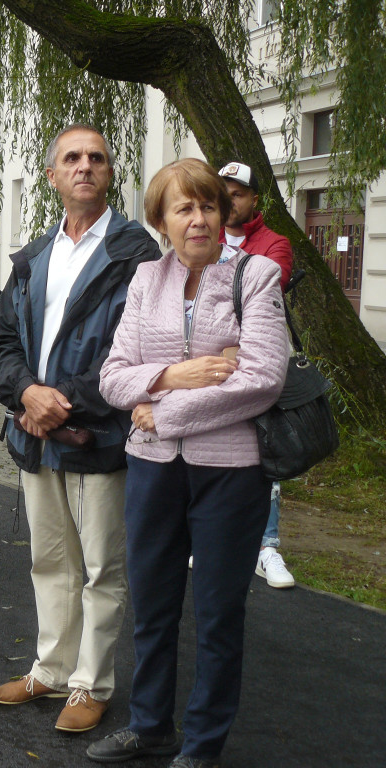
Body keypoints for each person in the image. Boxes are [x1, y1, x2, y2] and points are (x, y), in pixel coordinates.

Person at [89, 158, 288, 768]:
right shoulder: (145, 280)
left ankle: (201, 746)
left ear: (221, 214)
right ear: (161, 221)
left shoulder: (253, 276)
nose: (198, 218)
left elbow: (261, 378)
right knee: (151, 601)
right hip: (151, 467)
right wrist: (178, 375)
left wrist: (164, 410)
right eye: (183, 208)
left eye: (207, 205)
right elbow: (112, 377)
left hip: (230, 472)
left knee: (219, 613)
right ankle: (150, 726)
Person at [0, 125, 162, 733]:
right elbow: (1, 338)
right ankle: (50, 671)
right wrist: (25, 393)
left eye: (97, 158)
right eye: (72, 158)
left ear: (110, 174)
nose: (85, 166)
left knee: (101, 568)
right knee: (49, 559)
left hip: (99, 437)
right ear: (53, 176)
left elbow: (137, 348)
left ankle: (91, 684)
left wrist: (64, 403)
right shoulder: (33, 256)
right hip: (36, 433)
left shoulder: (136, 253)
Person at [218, 161, 296, 590]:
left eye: (238, 193)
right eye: (222, 191)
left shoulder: (275, 243)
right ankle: (217, 535)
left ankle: (266, 546)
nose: (229, 200)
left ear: (254, 200)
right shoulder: (201, 235)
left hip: (257, 361)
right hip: (211, 362)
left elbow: (264, 291)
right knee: (212, 444)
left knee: (264, 450)